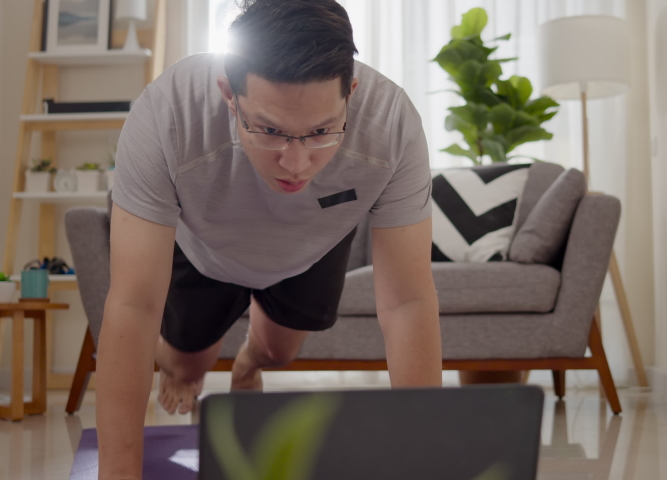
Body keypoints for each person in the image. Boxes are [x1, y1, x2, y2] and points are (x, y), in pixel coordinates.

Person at [96, 0, 442, 478]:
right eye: (270, 131)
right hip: (205, 250)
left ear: (352, 93)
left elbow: (407, 302)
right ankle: (180, 359)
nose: (296, 164)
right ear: (228, 94)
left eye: (322, 131)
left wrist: (426, 463)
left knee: (280, 352)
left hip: (309, 247)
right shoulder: (167, 112)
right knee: (186, 366)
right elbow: (133, 305)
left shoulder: (393, 125)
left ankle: (246, 363)